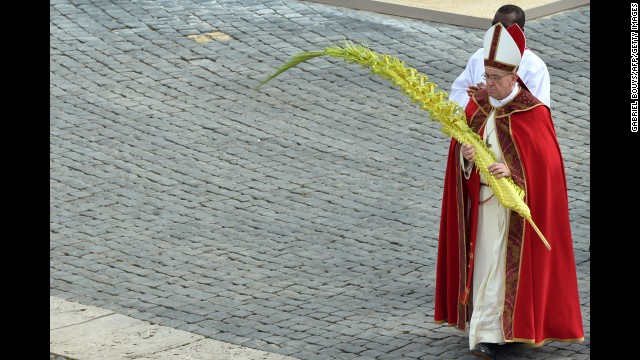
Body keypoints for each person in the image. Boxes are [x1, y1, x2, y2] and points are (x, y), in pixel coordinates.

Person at [433, 23, 583, 360]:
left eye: (495, 79)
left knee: (502, 269)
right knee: (485, 266)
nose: (488, 85)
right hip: (484, 205)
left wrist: (514, 173)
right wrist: (466, 158)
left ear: (514, 78)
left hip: (513, 208)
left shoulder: (534, 113)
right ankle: (488, 330)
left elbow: (548, 169)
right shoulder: (479, 106)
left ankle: (496, 333)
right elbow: (461, 154)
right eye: (486, 77)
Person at [449, 5, 551, 110]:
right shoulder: (479, 56)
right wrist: (475, 98)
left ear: (520, 30)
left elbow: (537, 109)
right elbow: (458, 92)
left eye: (504, 27)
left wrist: (489, 97)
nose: (496, 31)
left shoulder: (535, 66)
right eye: (494, 25)